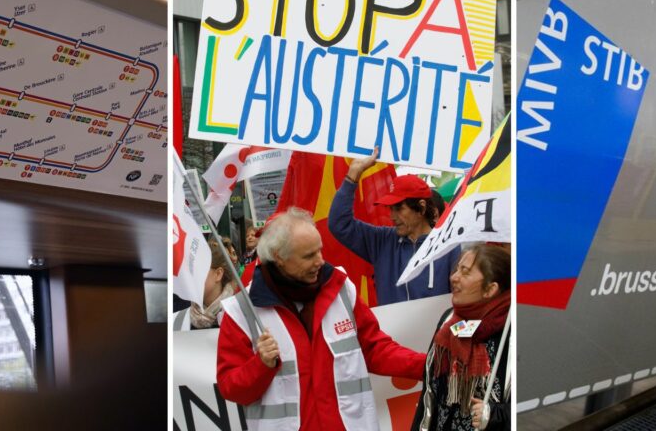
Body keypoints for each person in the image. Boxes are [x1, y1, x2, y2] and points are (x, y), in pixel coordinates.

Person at [217, 207, 426, 430]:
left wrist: (430, 365)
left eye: (319, 250)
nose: (320, 261)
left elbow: (375, 348)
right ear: (279, 257)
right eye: (309, 255)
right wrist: (260, 365)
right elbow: (231, 388)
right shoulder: (241, 311)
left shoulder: (340, 287)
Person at [328, 147, 461, 305]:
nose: (392, 216)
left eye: (398, 208)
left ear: (422, 207)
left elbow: (464, 304)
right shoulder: (382, 241)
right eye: (390, 209)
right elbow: (339, 224)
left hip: (440, 330)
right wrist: (353, 176)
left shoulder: (448, 246)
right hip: (388, 330)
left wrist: (454, 331)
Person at [412, 244, 511, 430]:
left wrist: (495, 415)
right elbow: (429, 393)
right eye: (457, 269)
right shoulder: (449, 321)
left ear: (490, 289)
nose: (453, 277)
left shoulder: (510, 331)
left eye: (465, 273)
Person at [171, 239, 237, 331]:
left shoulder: (240, 318)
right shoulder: (175, 321)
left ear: (218, 274)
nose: (191, 277)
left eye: (198, 270)